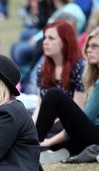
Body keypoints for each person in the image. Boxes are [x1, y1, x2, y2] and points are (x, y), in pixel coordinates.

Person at [37, 28, 99, 163]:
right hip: (89, 134)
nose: (88, 49)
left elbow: (86, 117)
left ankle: (31, 146)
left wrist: (49, 141)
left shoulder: (80, 68)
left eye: (94, 46)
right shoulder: (44, 68)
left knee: (54, 95)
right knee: (53, 137)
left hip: (95, 135)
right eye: (88, 46)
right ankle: (56, 151)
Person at [32, 20, 86, 123]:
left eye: (51, 38)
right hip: (47, 123)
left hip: (71, 125)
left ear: (66, 42)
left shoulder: (80, 67)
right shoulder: (42, 69)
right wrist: (31, 128)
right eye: (45, 37)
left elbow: (78, 110)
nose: (45, 42)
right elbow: (40, 105)